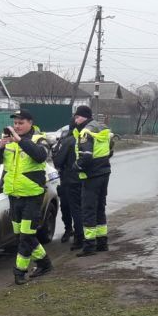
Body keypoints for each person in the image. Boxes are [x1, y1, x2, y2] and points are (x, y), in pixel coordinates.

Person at [0, 109, 52, 285]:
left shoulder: (39, 139)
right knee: (22, 236)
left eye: (21, 123)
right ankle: (44, 263)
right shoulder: (9, 142)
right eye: (15, 123)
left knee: (26, 236)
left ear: (30, 123)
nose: (17, 126)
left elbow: (40, 156)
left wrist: (20, 140)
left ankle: (20, 272)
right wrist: (0, 145)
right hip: (14, 195)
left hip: (32, 195)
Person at [71, 105, 113, 257]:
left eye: (77, 117)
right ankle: (102, 242)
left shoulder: (85, 132)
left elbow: (86, 156)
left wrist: (76, 166)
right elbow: (110, 151)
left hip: (91, 176)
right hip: (104, 173)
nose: (76, 120)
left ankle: (89, 246)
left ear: (84, 116)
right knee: (100, 208)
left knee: (88, 209)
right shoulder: (102, 129)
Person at [52, 124, 84, 250]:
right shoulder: (89, 138)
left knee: (68, 207)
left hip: (69, 179)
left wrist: (55, 152)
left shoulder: (68, 141)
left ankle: (74, 234)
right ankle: (82, 233)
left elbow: (58, 162)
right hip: (86, 179)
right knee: (82, 208)